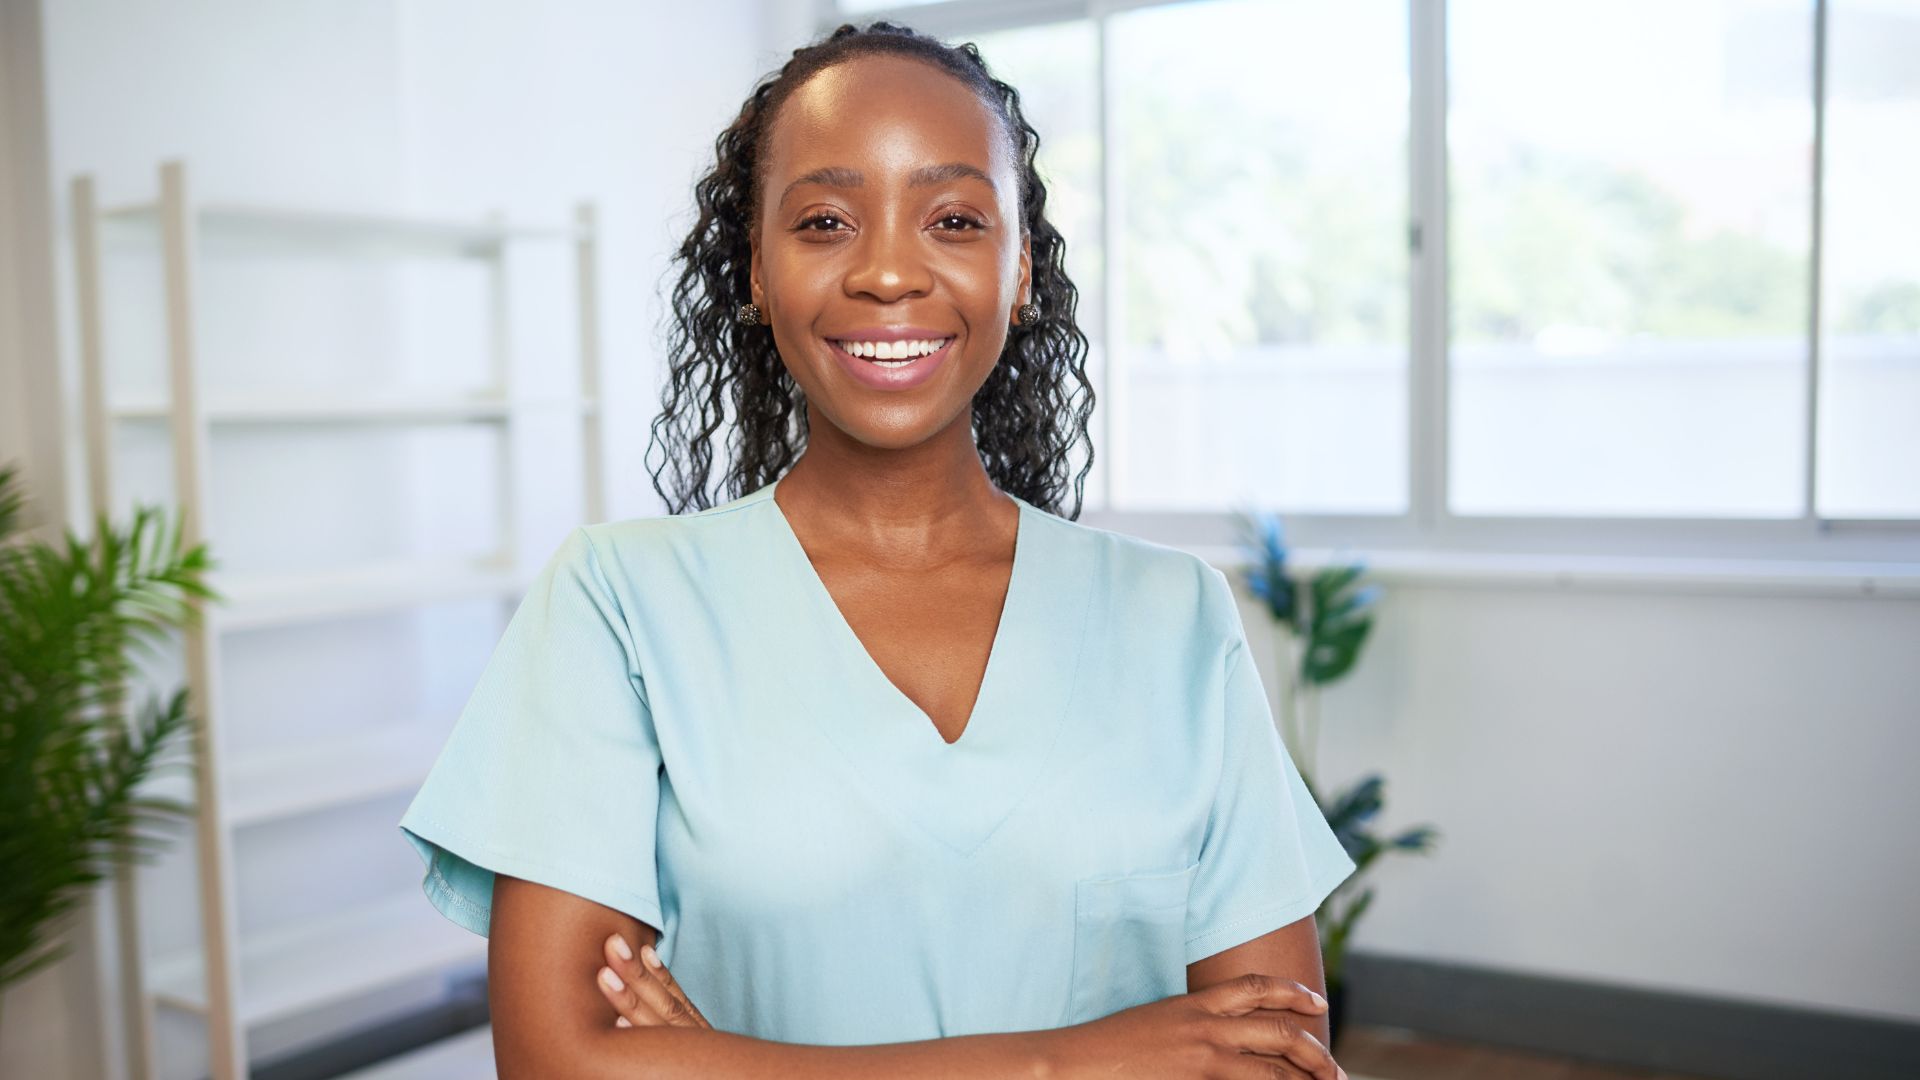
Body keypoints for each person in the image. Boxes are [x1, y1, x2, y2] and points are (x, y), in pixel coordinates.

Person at [397, 20, 1355, 1079]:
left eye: (951, 217)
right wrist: (1074, 1061)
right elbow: (560, 1064)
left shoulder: (1175, 619)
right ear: (758, 271)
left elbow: (1274, 1059)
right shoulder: (618, 607)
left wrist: (724, 1064)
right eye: (823, 221)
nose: (889, 273)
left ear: (1019, 270)